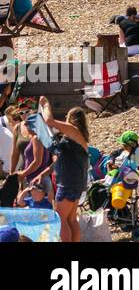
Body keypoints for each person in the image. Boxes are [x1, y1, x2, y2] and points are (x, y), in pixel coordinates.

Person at [38, 97, 90, 243]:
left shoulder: (73, 131)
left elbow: (49, 121)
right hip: (75, 183)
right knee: (71, 218)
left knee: (60, 218)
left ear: (72, 119)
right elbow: (60, 159)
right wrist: (44, 173)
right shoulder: (77, 138)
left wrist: (46, 104)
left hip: (68, 183)